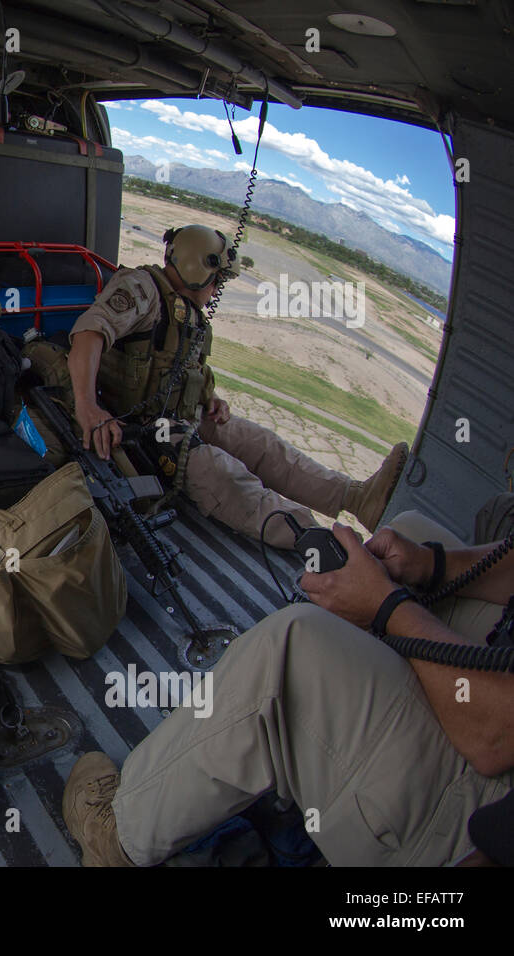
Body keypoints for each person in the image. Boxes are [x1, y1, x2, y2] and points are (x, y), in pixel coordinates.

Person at [61, 510, 514, 866]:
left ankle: (120, 837)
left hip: (477, 819)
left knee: (294, 645)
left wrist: (387, 607)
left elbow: (495, 737)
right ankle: (321, 754)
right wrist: (433, 564)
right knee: (410, 532)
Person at [65, 224, 408, 546]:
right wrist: (87, 407)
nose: (217, 290)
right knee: (224, 476)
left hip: (181, 418)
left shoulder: (188, 312)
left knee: (264, 445)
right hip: (143, 429)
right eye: (217, 280)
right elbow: (88, 334)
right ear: (197, 269)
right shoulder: (142, 289)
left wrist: (209, 396)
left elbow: (179, 368)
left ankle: (359, 498)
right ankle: (329, 545)